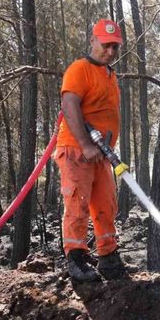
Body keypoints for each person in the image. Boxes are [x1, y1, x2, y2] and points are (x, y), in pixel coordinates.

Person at [55, 19, 135, 281]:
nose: (110, 51)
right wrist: (87, 145)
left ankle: (109, 258)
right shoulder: (80, 69)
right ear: (93, 41)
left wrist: (100, 148)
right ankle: (76, 259)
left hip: (101, 154)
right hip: (78, 150)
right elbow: (69, 104)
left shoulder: (109, 75)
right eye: (105, 45)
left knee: (105, 205)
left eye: (115, 47)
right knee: (77, 203)